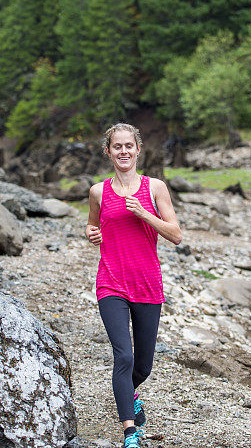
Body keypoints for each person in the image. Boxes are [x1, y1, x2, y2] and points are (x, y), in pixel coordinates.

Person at [85, 123, 182, 448]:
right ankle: (130, 432)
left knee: (143, 365)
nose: (123, 151)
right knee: (123, 358)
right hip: (111, 282)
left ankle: (130, 393)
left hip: (147, 284)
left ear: (138, 150)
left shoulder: (155, 188)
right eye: (117, 146)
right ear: (108, 151)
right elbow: (93, 224)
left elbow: (176, 235)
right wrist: (91, 233)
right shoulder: (99, 191)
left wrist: (145, 214)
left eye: (129, 146)